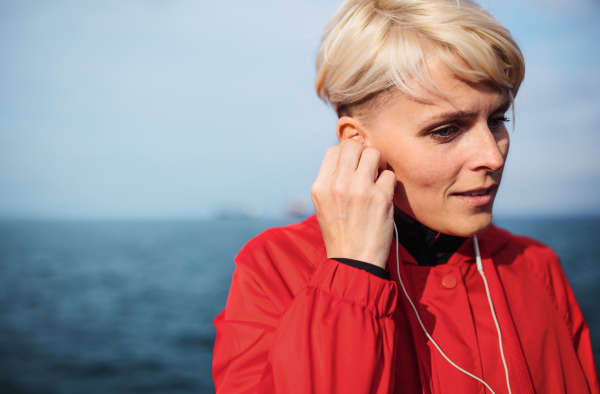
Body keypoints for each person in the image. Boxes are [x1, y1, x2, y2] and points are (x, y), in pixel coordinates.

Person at [212, 0, 600, 392]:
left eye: (497, 119)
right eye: (446, 130)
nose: (493, 154)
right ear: (356, 142)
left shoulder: (535, 266)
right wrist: (351, 273)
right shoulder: (277, 271)